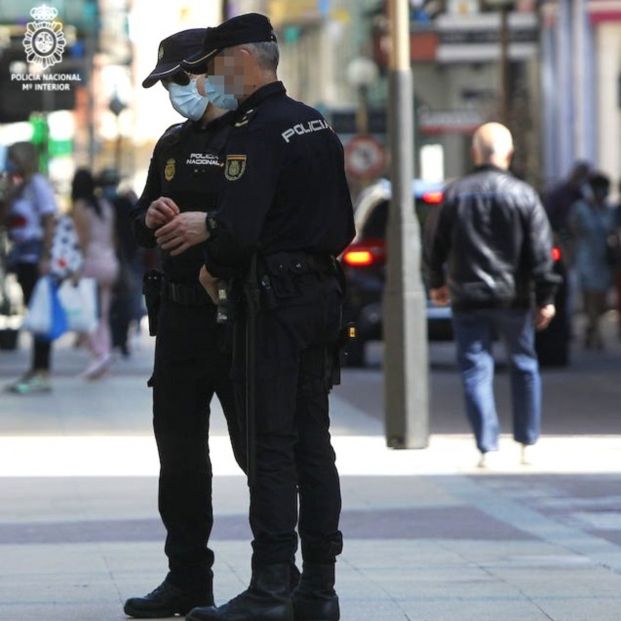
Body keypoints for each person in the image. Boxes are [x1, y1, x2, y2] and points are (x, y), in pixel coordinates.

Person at [172, 13, 355, 621]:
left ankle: (272, 586)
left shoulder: (256, 130)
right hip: (321, 298)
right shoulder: (315, 122)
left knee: (270, 445)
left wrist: (213, 242)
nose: (211, 78)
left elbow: (238, 232)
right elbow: (344, 225)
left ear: (244, 62)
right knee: (315, 446)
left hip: (272, 304)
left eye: (217, 65)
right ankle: (318, 590)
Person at [122, 29, 246, 619]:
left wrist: (212, 224)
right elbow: (141, 224)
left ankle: (282, 575)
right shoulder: (171, 143)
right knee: (179, 453)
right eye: (168, 83)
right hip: (179, 318)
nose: (175, 92)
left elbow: (270, 215)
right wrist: (151, 215)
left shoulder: (255, 135)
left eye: (181, 79)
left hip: (241, 315)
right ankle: (187, 578)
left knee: (260, 451)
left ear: (214, 71)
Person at [426, 123, 558, 468]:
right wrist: (545, 296)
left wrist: (437, 282)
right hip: (513, 298)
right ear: (509, 154)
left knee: (474, 368)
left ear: (474, 154)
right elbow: (542, 251)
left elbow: (435, 244)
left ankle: (486, 446)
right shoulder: (523, 195)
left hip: (467, 297)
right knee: (524, 365)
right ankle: (527, 442)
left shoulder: (455, 194)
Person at [2, 142, 57, 394]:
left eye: (14, 158)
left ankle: (42, 370)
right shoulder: (21, 186)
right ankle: (36, 368)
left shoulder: (37, 185)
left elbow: (48, 221)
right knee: (33, 314)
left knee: (40, 316)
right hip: (22, 258)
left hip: (35, 258)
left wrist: (46, 256)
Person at [72, 168, 119, 379]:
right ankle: (104, 355)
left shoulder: (80, 208)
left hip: (91, 263)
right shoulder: (105, 206)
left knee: (86, 314)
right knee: (104, 315)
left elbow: (82, 240)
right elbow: (113, 237)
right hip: (110, 262)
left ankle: (99, 353)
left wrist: (76, 268)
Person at [569, 172, 616, 350]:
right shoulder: (580, 208)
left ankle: (591, 327)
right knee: (590, 297)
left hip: (603, 258)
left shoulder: (610, 210)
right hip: (585, 257)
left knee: (602, 300)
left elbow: (613, 233)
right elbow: (572, 231)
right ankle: (597, 333)